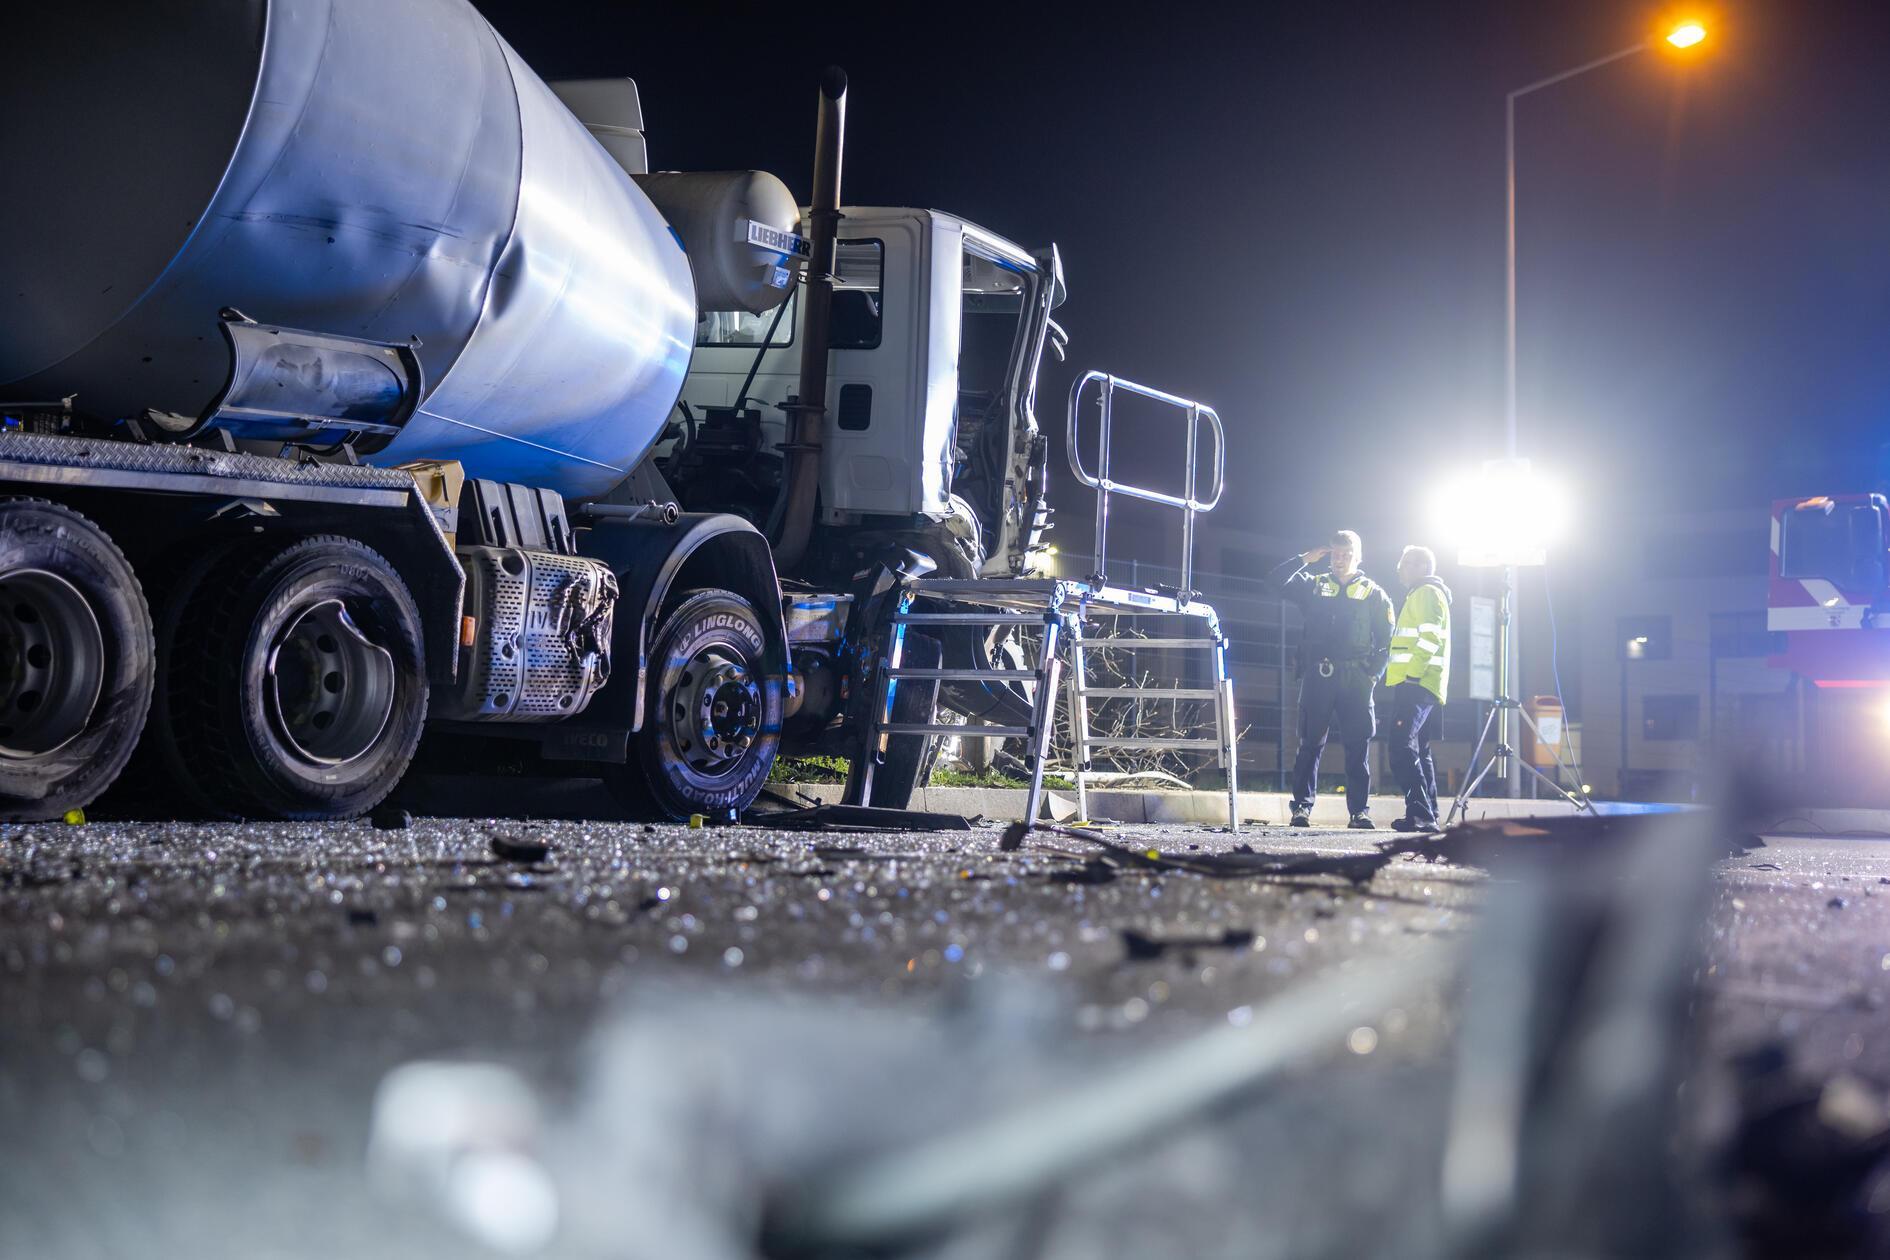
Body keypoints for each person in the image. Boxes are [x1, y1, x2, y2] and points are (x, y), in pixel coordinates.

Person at [1266, 530, 1393, 828]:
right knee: (1309, 744)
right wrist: (1303, 560)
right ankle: (1301, 809)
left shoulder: (1374, 592)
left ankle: (1359, 812)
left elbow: (1387, 642)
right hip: (1318, 676)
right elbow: (1273, 581)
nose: (1340, 559)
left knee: (1357, 746)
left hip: (1356, 679)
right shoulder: (1314, 585)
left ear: (1358, 556)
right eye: (1336, 553)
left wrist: (1372, 675)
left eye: (1347, 554)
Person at [1385, 545, 1452, 831]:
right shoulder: (1425, 593)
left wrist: (1412, 675)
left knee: (1400, 746)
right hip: (1422, 683)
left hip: (1416, 683)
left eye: (1409, 563)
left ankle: (1422, 813)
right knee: (1419, 750)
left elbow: (1429, 638)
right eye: (1401, 562)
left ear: (1425, 568)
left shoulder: (1426, 593)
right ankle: (1427, 814)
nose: (1401, 567)